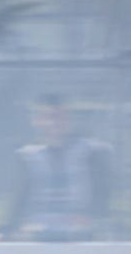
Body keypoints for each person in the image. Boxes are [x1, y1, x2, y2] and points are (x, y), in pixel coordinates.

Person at [7, 94, 111, 240]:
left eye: (59, 117)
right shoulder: (26, 156)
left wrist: (92, 217)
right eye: (46, 117)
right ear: (35, 121)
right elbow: (17, 203)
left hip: (83, 238)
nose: (52, 123)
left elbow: (103, 197)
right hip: (35, 238)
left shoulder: (92, 152)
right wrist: (11, 229)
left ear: (69, 119)